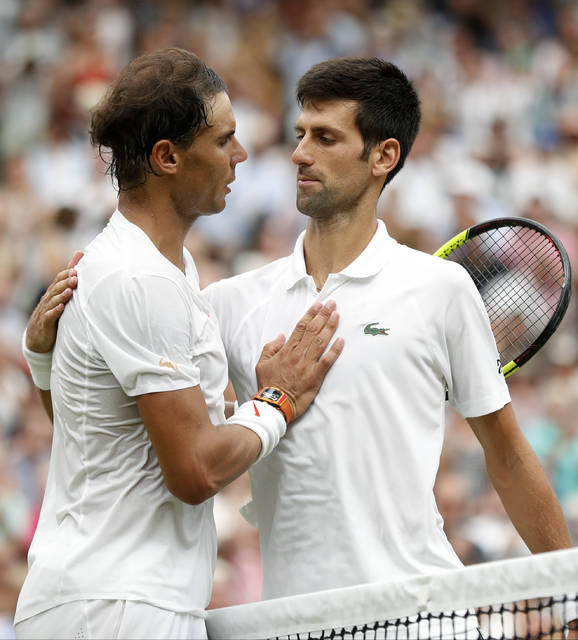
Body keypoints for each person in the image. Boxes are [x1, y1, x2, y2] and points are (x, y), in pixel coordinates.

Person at [26, 56, 575, 620]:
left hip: (420, 612)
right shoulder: (225, 303)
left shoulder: (440, 288)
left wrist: (569, 597)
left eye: (326, 137)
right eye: (299, 134)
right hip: (286, 621)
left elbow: (507, 456)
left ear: (383, 156)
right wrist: (50, 360)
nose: (299, 153)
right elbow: (118, 432)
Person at [14, 48, 343, 640]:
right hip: (118, 609)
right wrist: (277, 400)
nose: (240, 156)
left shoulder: (154, 268)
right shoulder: (141, 278)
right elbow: (193, 471)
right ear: (167, 156)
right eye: (223, 141)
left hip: (106, 601)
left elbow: (93, 434)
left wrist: (44, 363)